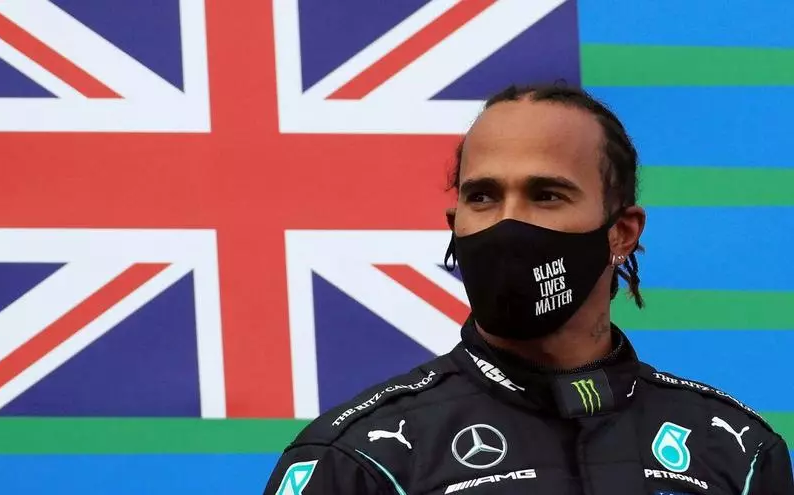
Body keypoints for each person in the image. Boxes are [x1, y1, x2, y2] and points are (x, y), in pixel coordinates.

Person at [263, 84, 794, 494]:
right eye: (483, 197)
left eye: (546, 195)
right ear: (455, 224)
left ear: (621, 232)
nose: (507, 224)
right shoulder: (360, 459)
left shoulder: (736, 452)